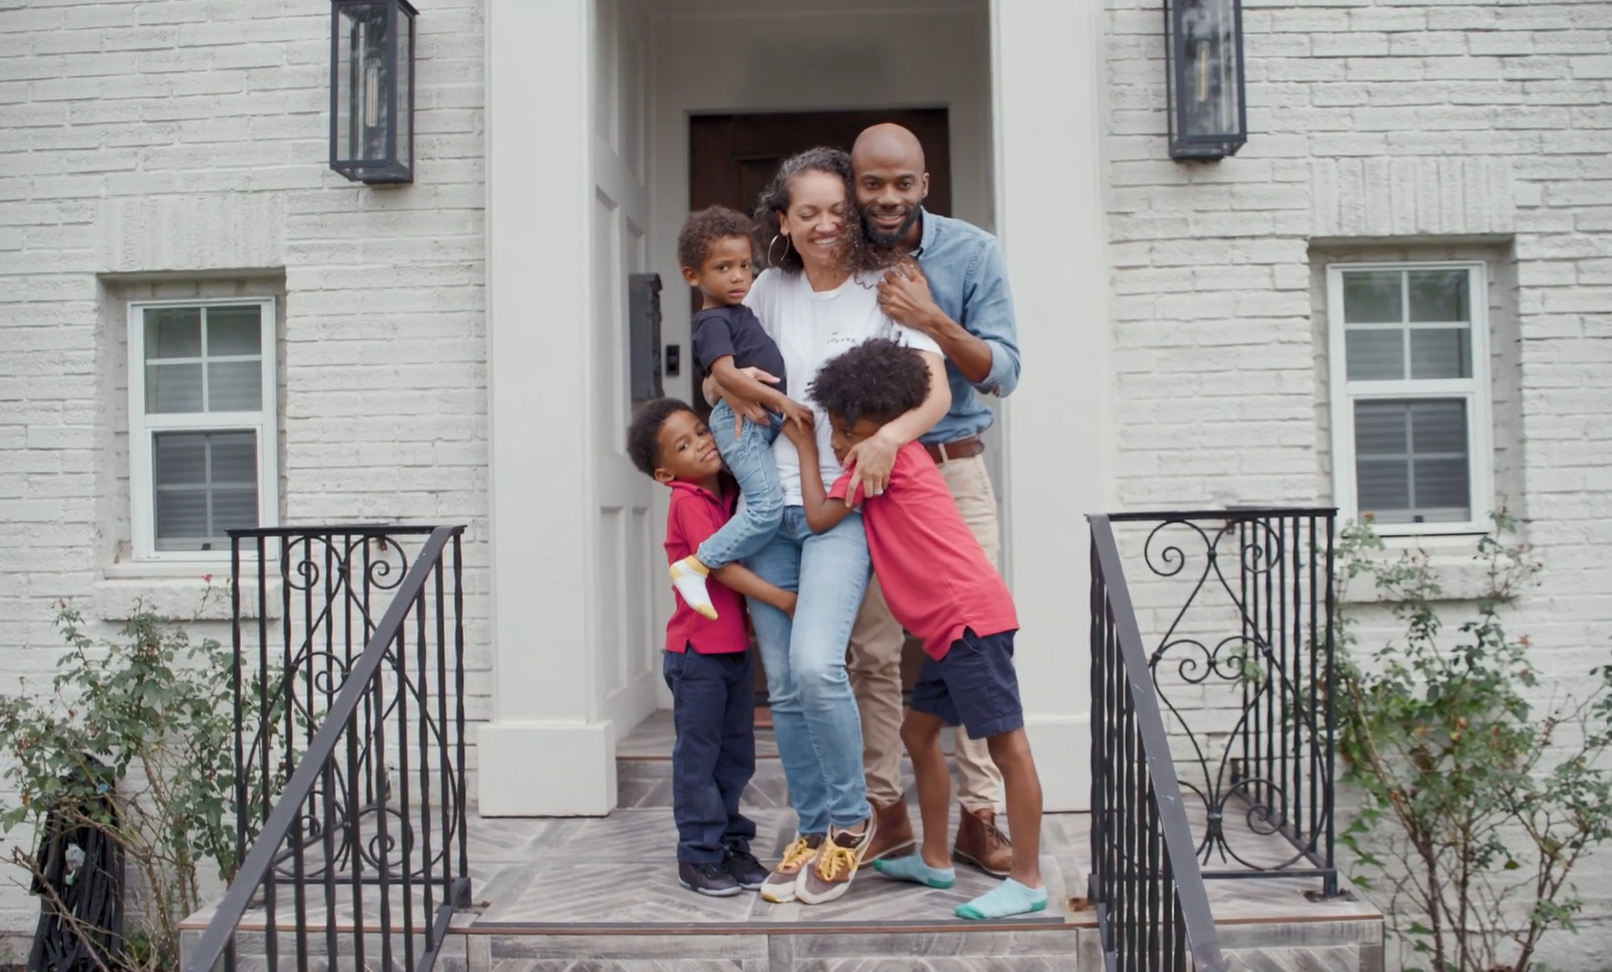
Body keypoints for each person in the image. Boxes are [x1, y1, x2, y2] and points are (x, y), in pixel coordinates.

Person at [704, 146, 951, 906]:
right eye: (806, 212)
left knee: (818, 665)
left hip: (840, 509)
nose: (825, 225)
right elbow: (720, 361)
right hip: (766, 512)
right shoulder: (762, 290)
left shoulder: (888, 288)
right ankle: (811, 829)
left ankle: (851, 824)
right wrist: (722, 376)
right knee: (781, 681)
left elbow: (934, 395)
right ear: (783, 220)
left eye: (837, 211)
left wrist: (887, 437)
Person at [783, 339, 1046, 921]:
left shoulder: (883, 462)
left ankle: (1028, 880)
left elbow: (820, 517)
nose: (836, 441)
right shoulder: (896, 459)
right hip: (945, 632)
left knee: (1010, 748)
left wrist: (803, 448)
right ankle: (934, 858)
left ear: (877, 428)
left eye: (843, 431)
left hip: (969, 622)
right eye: (829, 429)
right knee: (919, 736)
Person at [846, 123, 1023, 876]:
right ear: (854, 184)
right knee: (871, 651)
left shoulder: (971, 251)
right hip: (866, 481)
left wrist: (932, 321)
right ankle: (886, 812)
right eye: (872, 184)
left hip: (950, 470)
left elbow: (1003, 371)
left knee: (971, 644)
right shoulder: (830, 251)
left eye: (903, 183)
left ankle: (980, 818)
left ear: (925, 183)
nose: (887, 199)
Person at [626, 398, 797, 898]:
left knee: (735, 755)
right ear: (664, 473)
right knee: (699, 757)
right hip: (697, 654)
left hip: (731, 651)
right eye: (685, 444)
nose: (702, 444)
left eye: (701, 432)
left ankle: (732, 845)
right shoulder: (688, 501)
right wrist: (784, 600)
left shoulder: (726, 493)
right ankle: (698, 855)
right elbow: (718, 564)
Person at [665, 206, 812, 620]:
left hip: (757, 423)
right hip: (739, 423)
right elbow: (724, 373)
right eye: (723, 267)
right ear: (693, 276)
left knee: (765, 505)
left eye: (745, 266)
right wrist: (782, 402)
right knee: (765, 508)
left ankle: (701, 562)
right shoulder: (711, 321)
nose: (738, 276)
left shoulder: (739, 312)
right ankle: (696, 565)